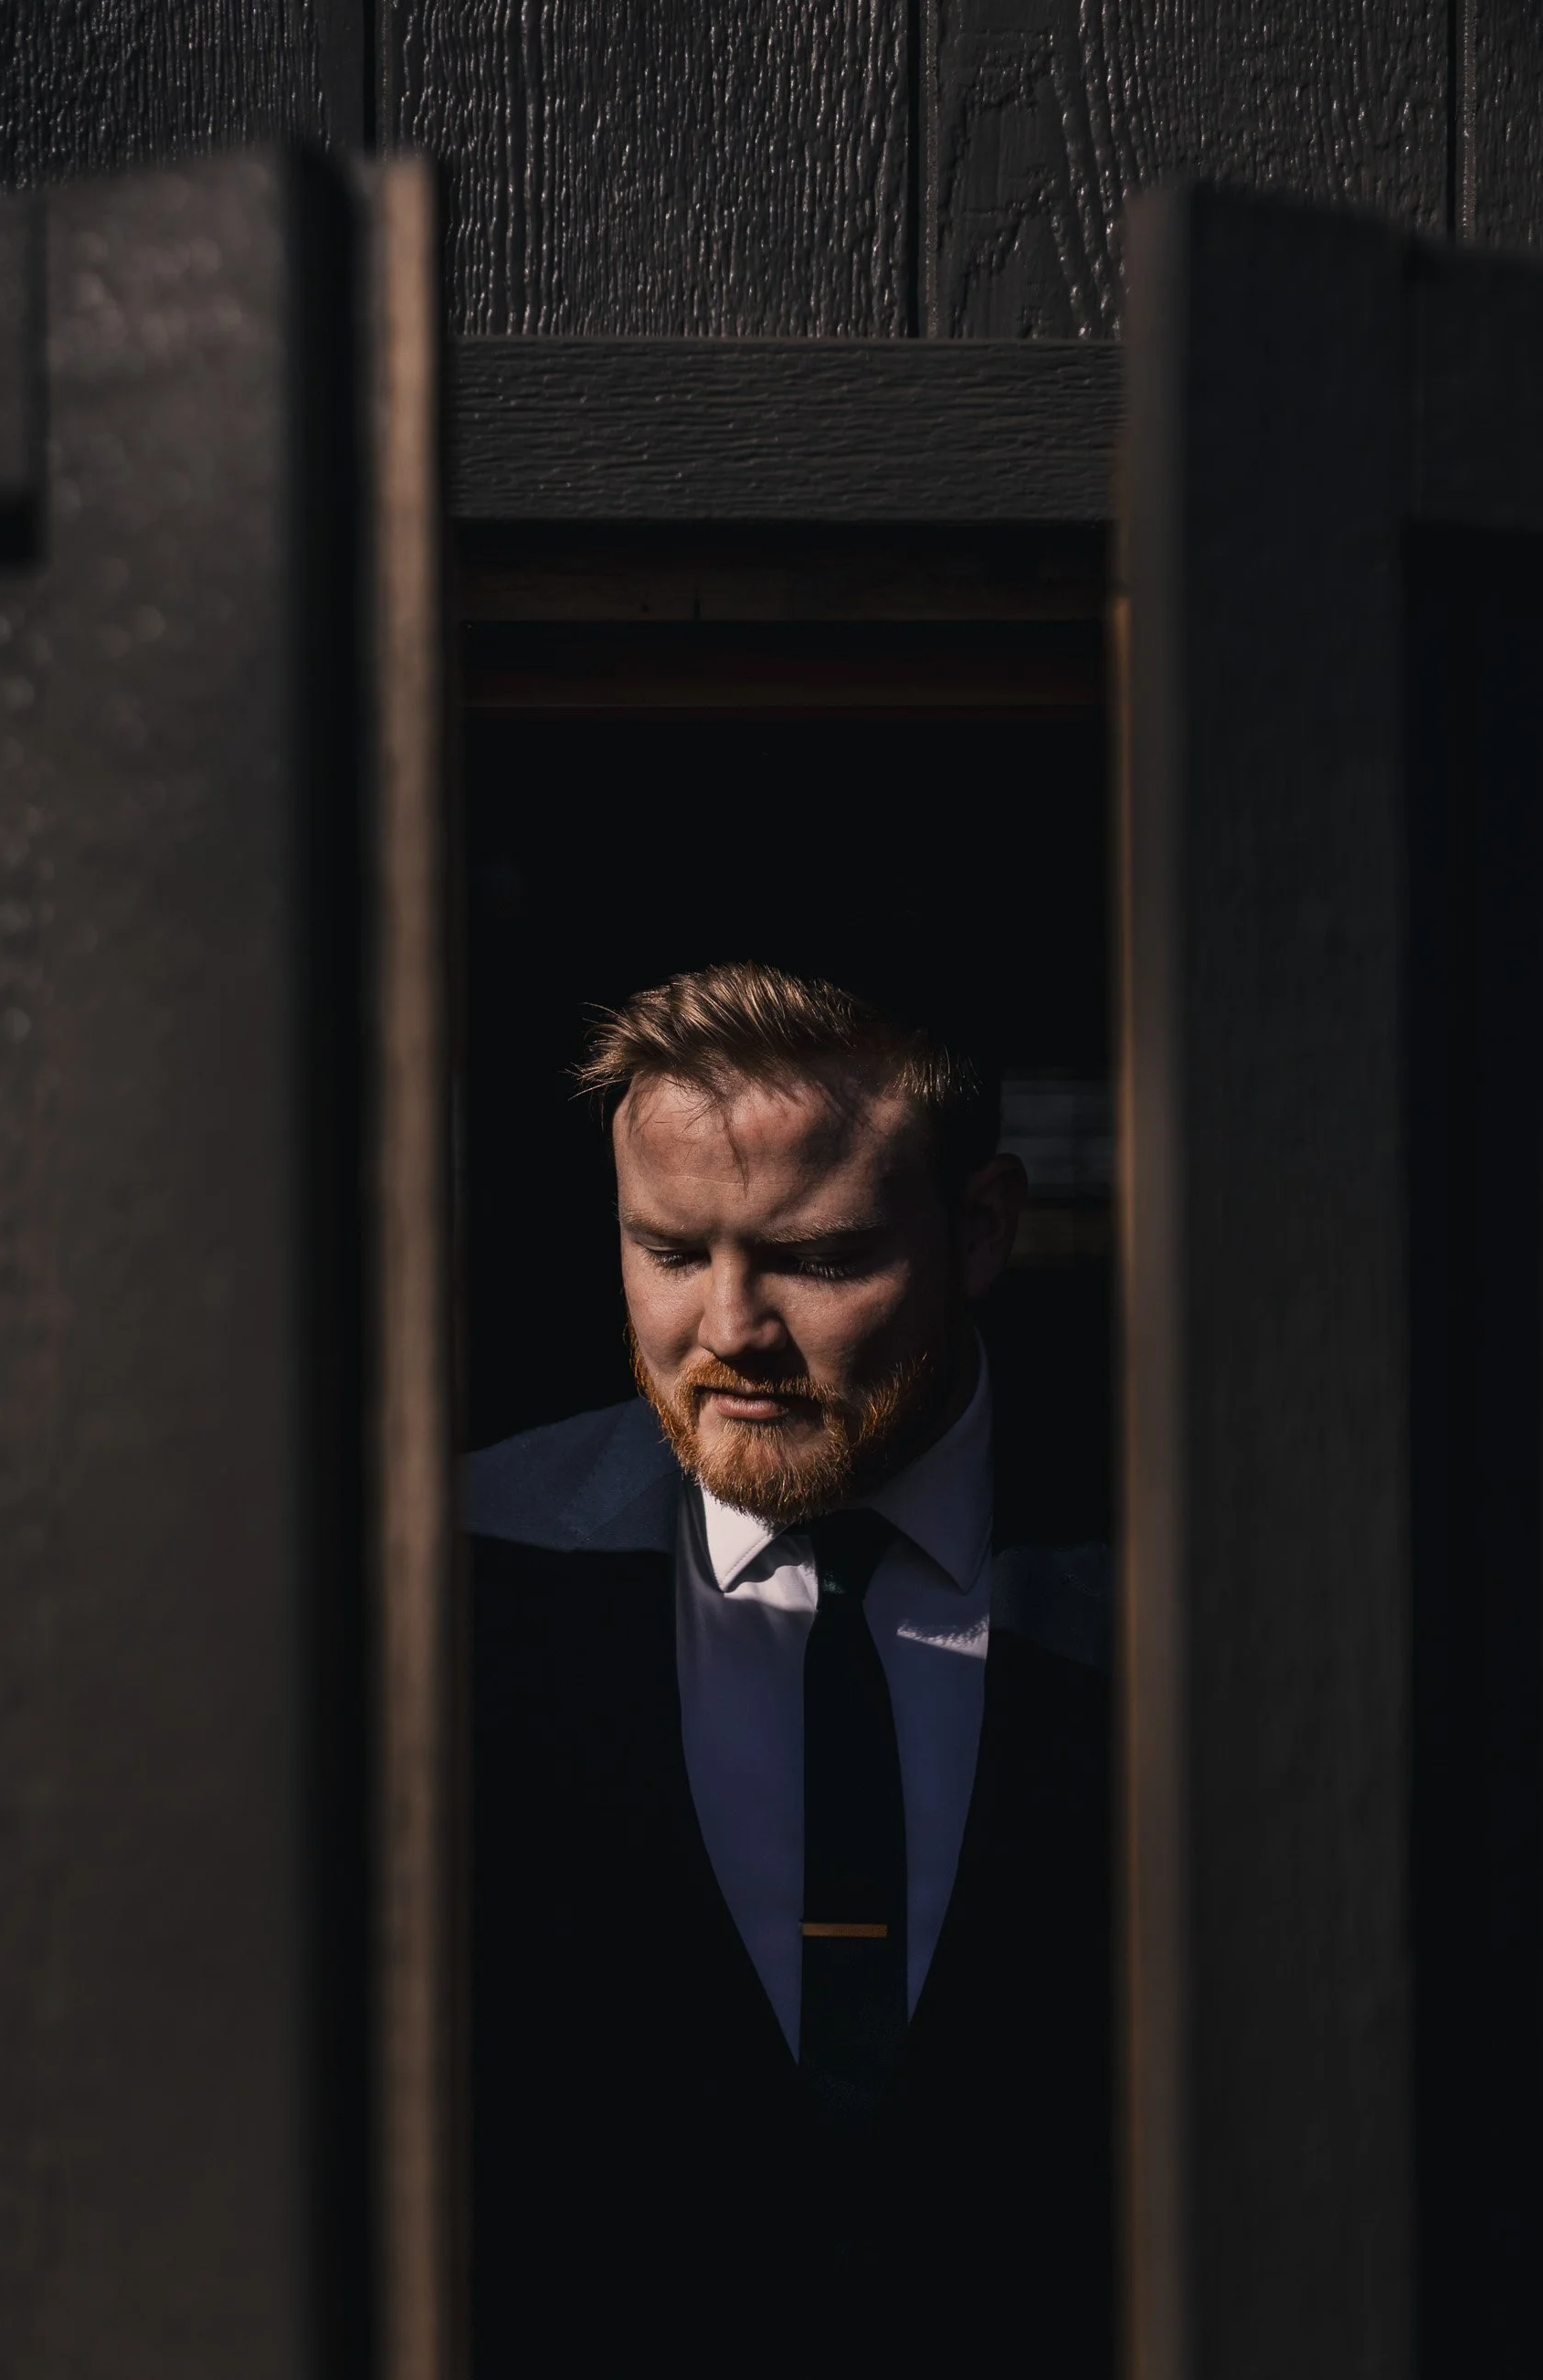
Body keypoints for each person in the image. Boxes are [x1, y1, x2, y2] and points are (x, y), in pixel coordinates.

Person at [467, 962, 1112, 2375]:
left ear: (982, 1228)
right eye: (669, 1251)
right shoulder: (454, 1575)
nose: (729, 1332)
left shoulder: (1194, 1570)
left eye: (816, 1261)